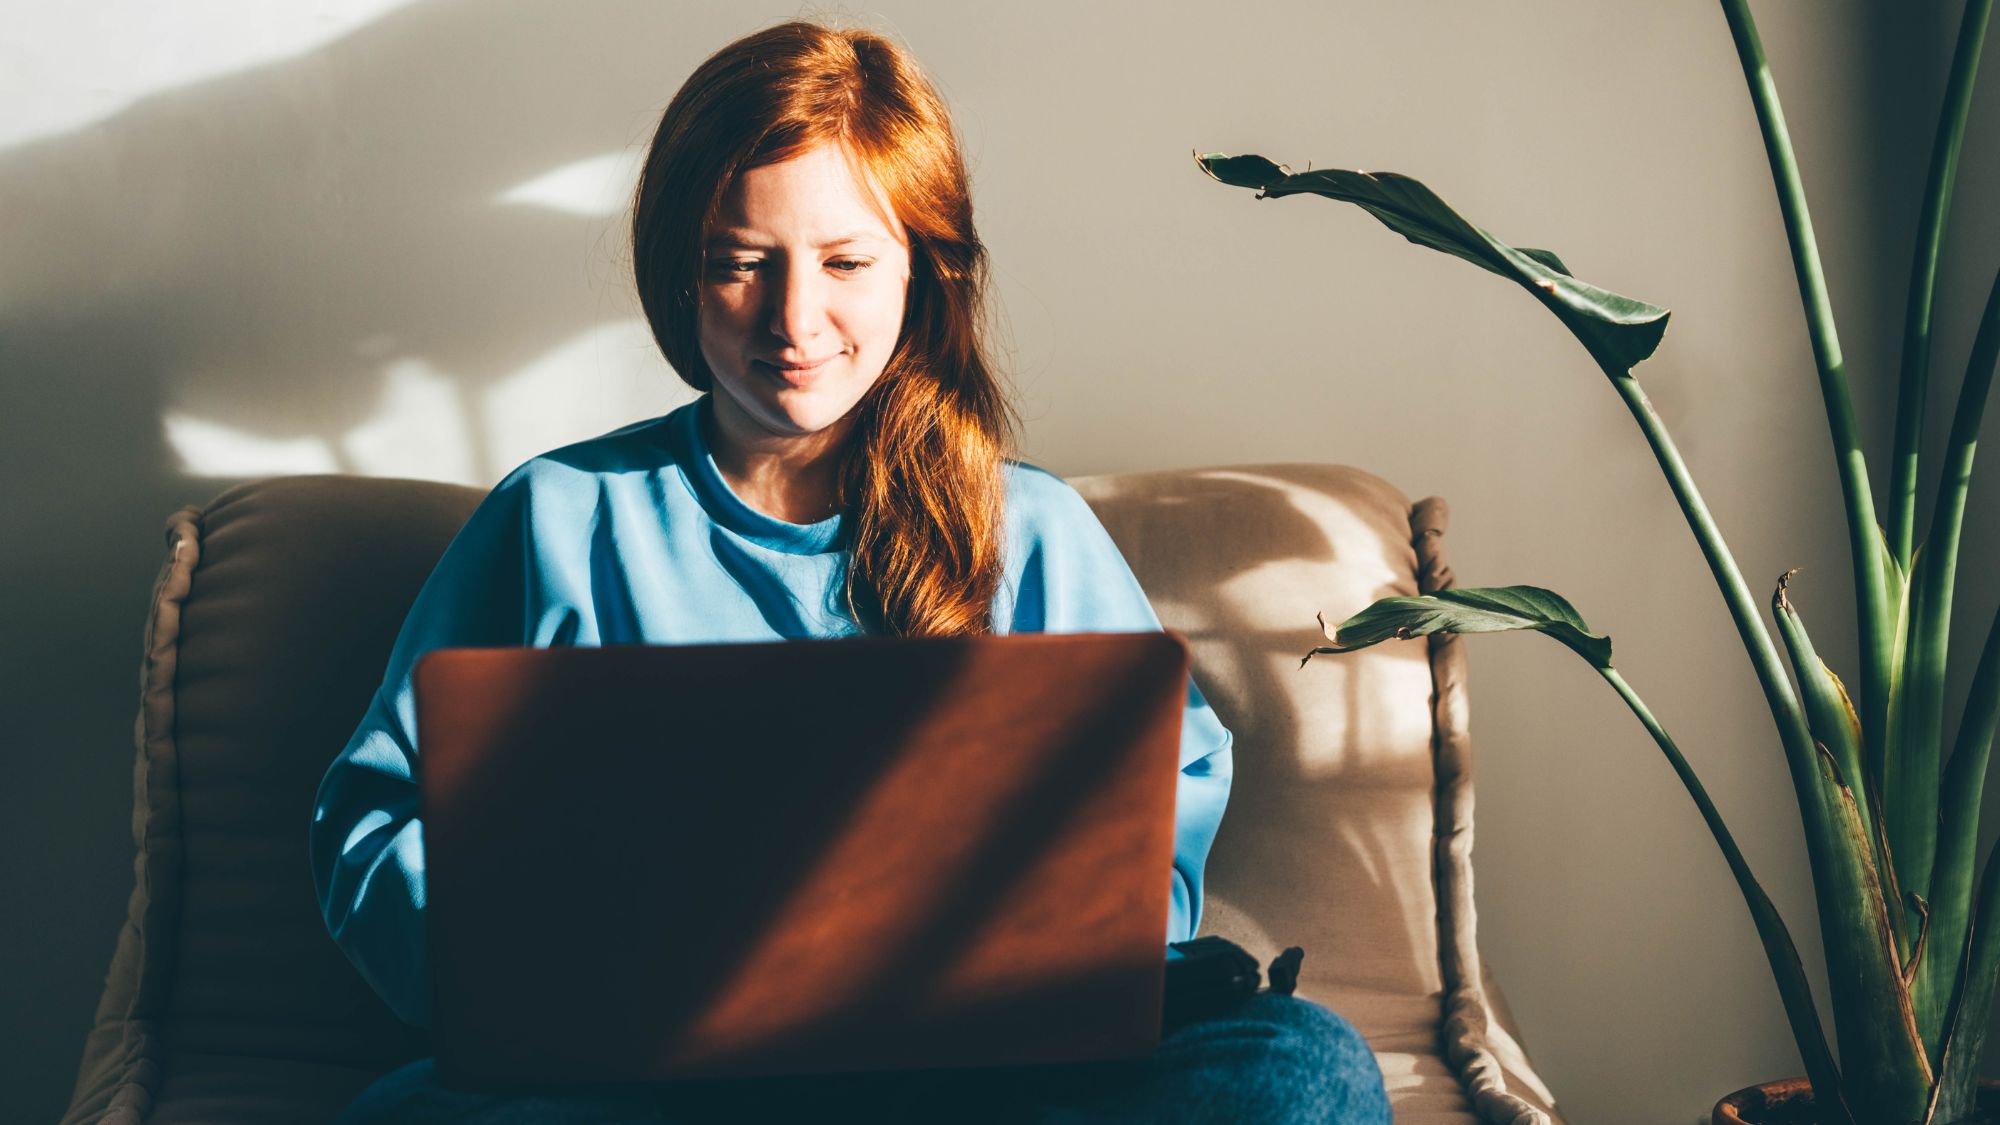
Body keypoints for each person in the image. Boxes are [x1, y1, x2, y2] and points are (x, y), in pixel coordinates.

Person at [310, 18, 1391, 1124]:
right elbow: (375, 823)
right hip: (646, 1080)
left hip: (982, 1078)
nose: (793, 319)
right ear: (680, 275)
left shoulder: (1027, 530)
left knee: (1301, 1066)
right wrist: (543, 973)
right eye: (740, 262)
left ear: (922, 271)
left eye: (844, 262)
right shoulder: (553, 521)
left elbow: (1152, 825)